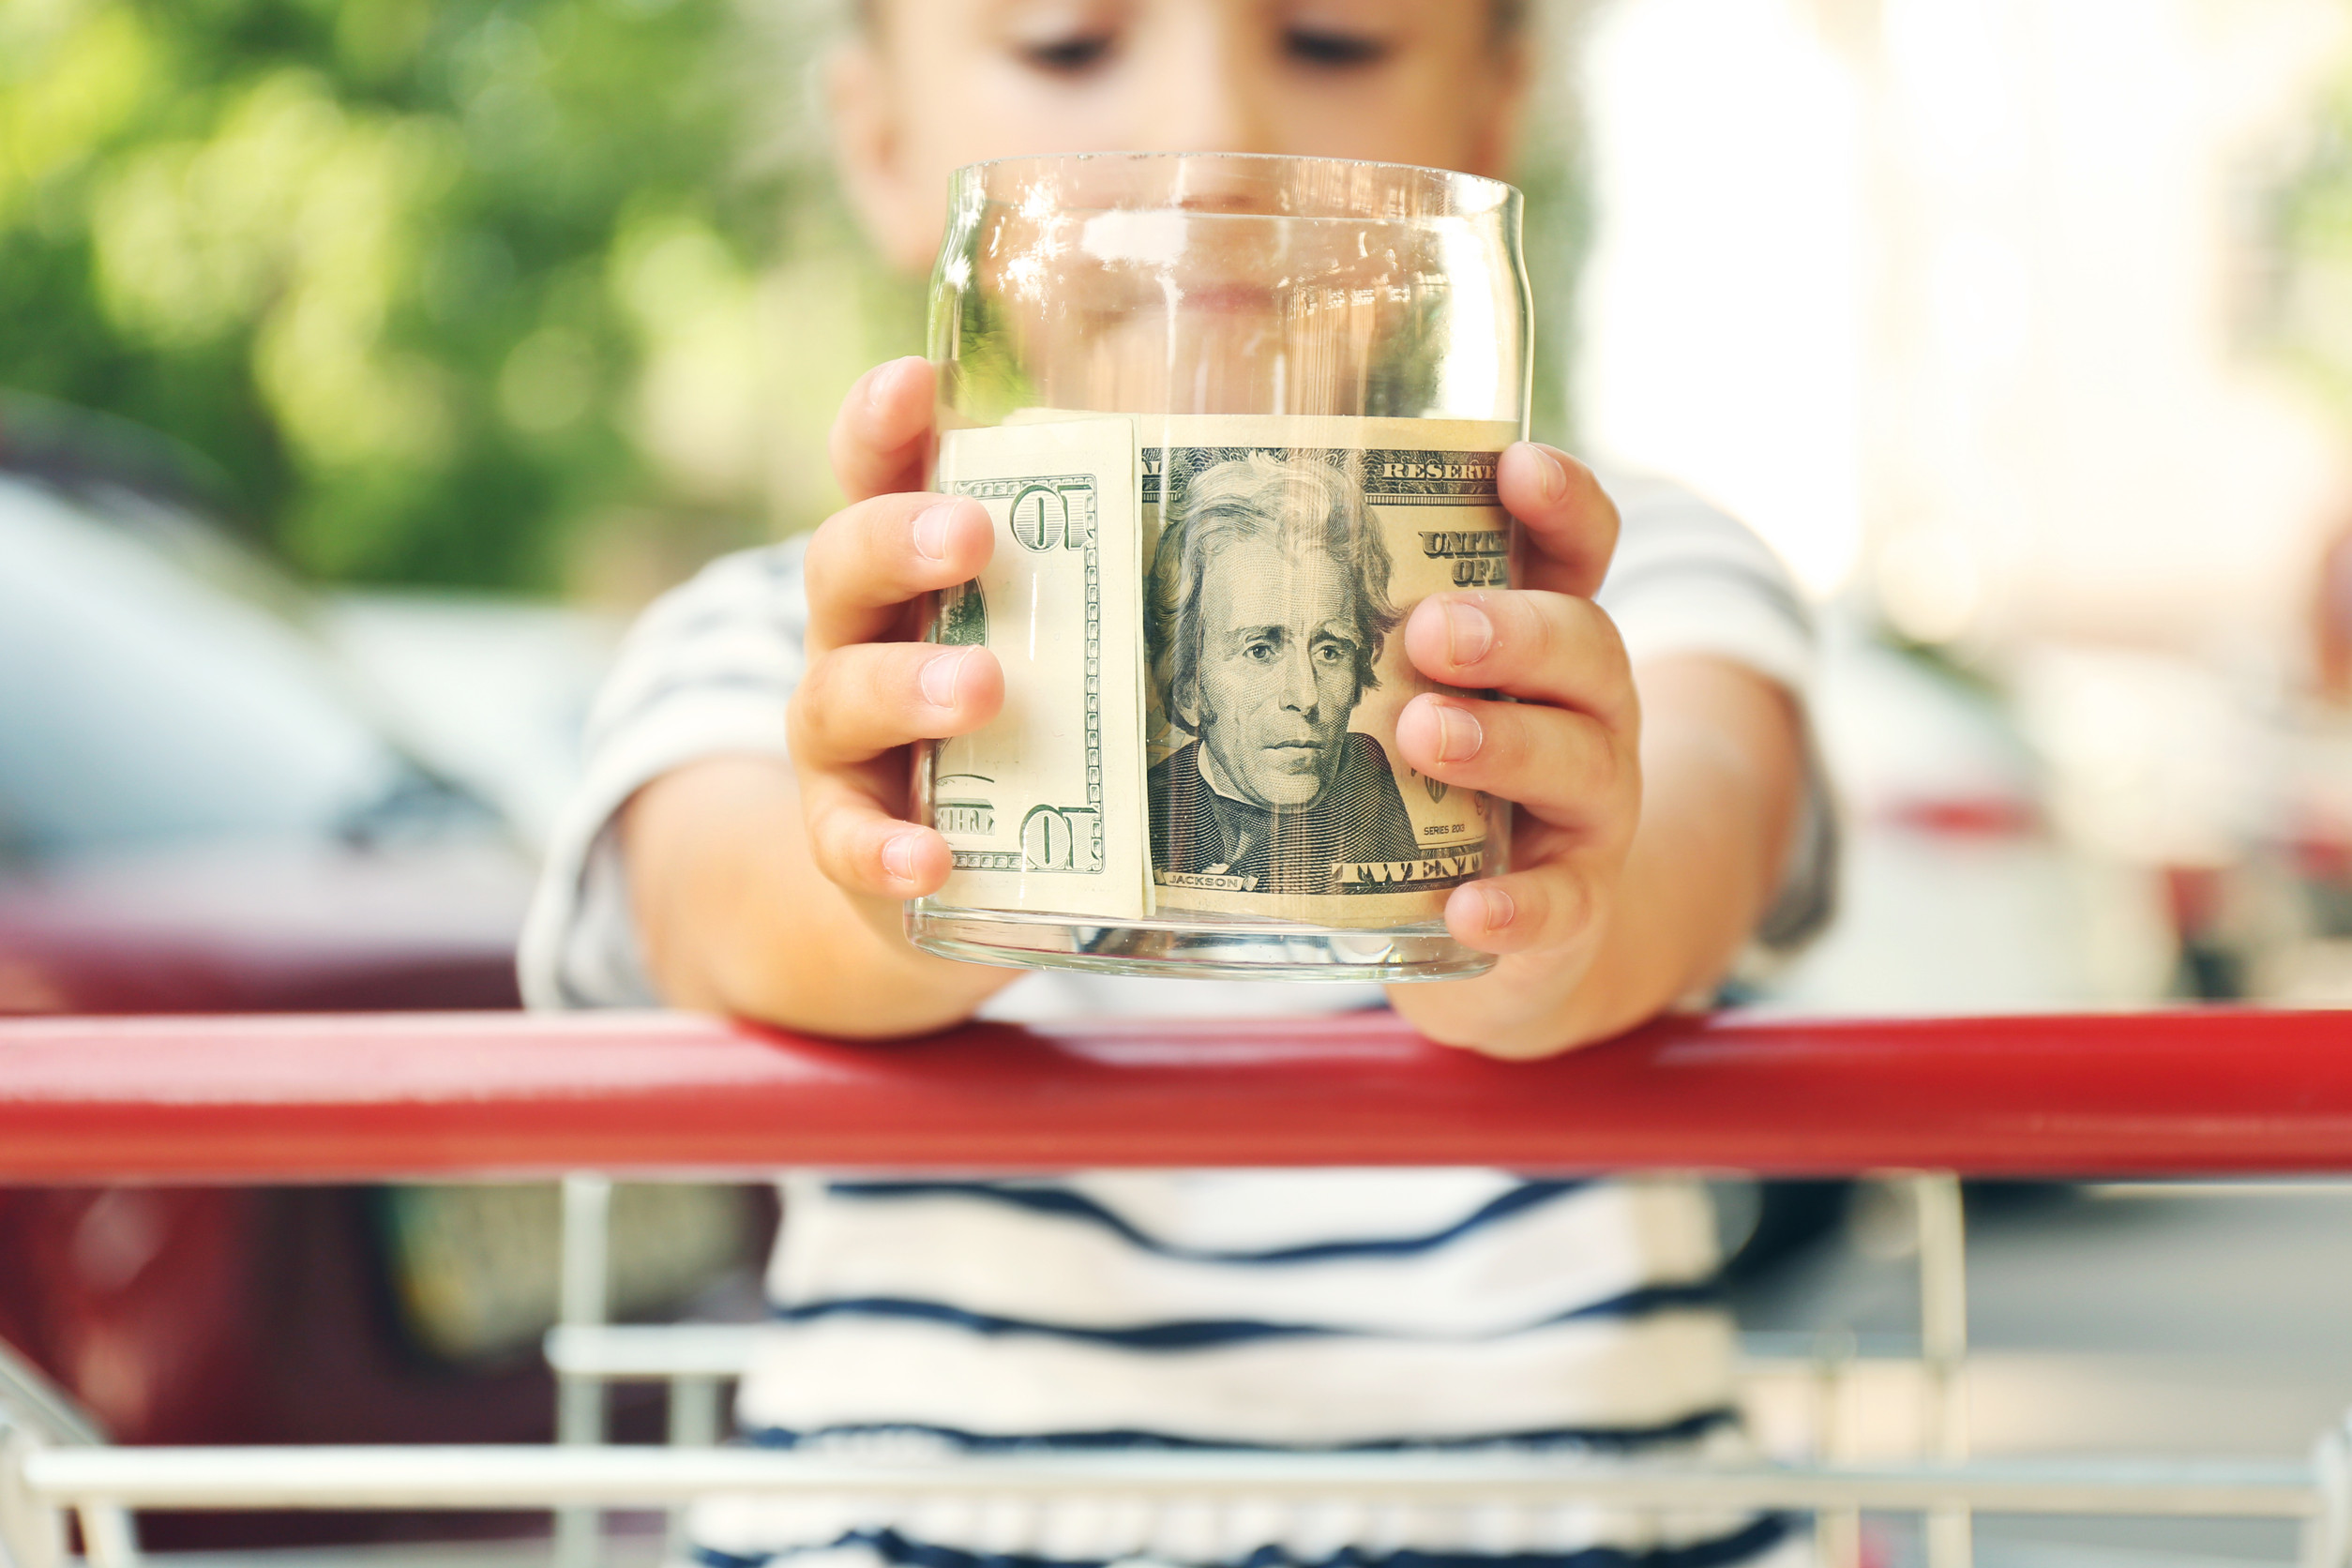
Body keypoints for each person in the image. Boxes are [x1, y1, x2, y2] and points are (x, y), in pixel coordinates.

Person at [522, 3, 1832, 1565]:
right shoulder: (791, 635)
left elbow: (1702, 829)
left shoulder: (1613, 586)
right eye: (1069, 45)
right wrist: (889, 874)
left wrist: (1547, 927)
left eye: (1333, 41)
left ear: (1492, 122)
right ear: (881, 146)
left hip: (1554, 1521)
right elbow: (702, 902)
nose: (1213, 146)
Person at [1148, 454, 1420, 891]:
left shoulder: (1363, 783)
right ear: (1189, 690)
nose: (1305, 695)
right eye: (1260, 650)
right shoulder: (1149, 804)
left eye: (1329, 650)